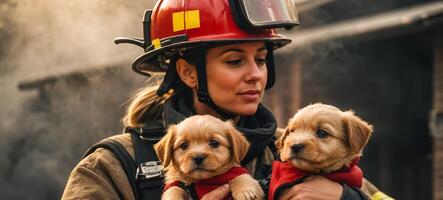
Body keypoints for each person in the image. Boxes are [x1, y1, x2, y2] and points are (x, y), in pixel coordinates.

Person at [62, 0, 390, 199]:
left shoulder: (291, 151)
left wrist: (346, 198)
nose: (255, 74)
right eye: (234, 61)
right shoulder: (112, 166)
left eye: (261, 59)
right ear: (189, 73)